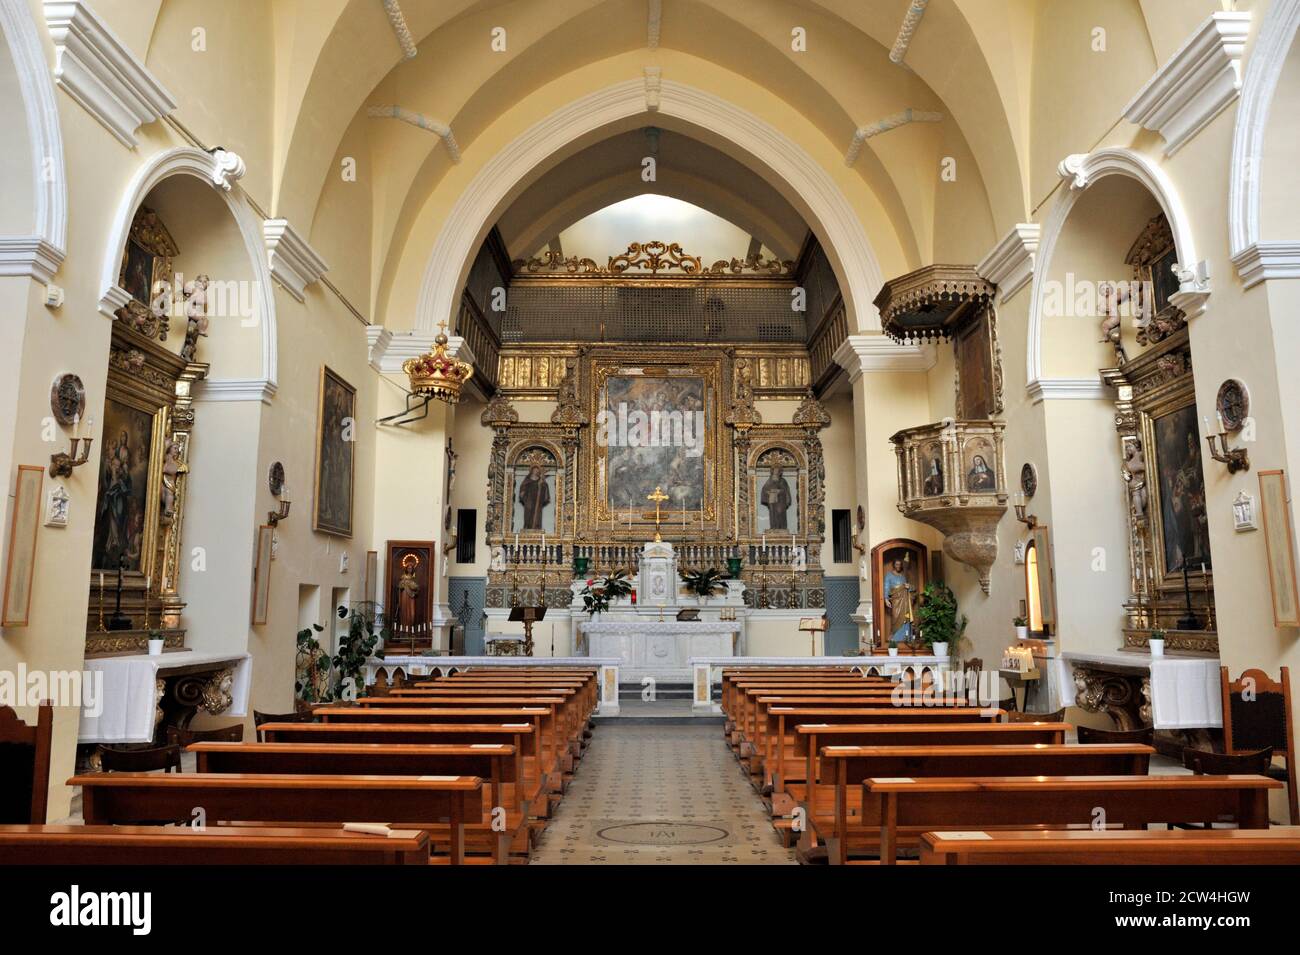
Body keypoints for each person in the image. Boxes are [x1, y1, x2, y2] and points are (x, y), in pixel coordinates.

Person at [883, 557, 914, 643]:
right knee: (895, 618)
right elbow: (886, 587)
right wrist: (886, 599)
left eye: (900, 565)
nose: (898, 566)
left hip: (904, 600)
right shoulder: (889, 575)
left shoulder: (902, 576)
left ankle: (905, 637)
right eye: (896, 564)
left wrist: (909, 587)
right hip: (895, 601)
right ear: (893, 565)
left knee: (905, 618)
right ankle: (895, 637)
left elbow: (908, 588)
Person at [518, 464, 550, 530]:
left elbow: (545, 489)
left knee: (537, 515)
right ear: (531, 471)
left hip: (537, 502)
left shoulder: (540, 480)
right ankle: (528, 527)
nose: (536, 472)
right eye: (534, 470)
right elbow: (523, 488)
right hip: (529, 500)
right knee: (528, 514)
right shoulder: (527, 480)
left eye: (537, 471)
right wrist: (522, 493)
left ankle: (536, 528)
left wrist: (543, 484)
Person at [761, 465, 792, 530]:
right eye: (774, 471)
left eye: (777, 471)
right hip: (772, 500)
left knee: (780, 512)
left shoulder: (783, 481)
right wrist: (768, 492)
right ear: (772, 472)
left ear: (780, 472)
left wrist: (779, 491)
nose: (775, 472)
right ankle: (773, 527)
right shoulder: (769, 481)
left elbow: (786, 491)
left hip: (781, 500)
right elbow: (764, 489)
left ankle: (781, 528)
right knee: (773, 513)